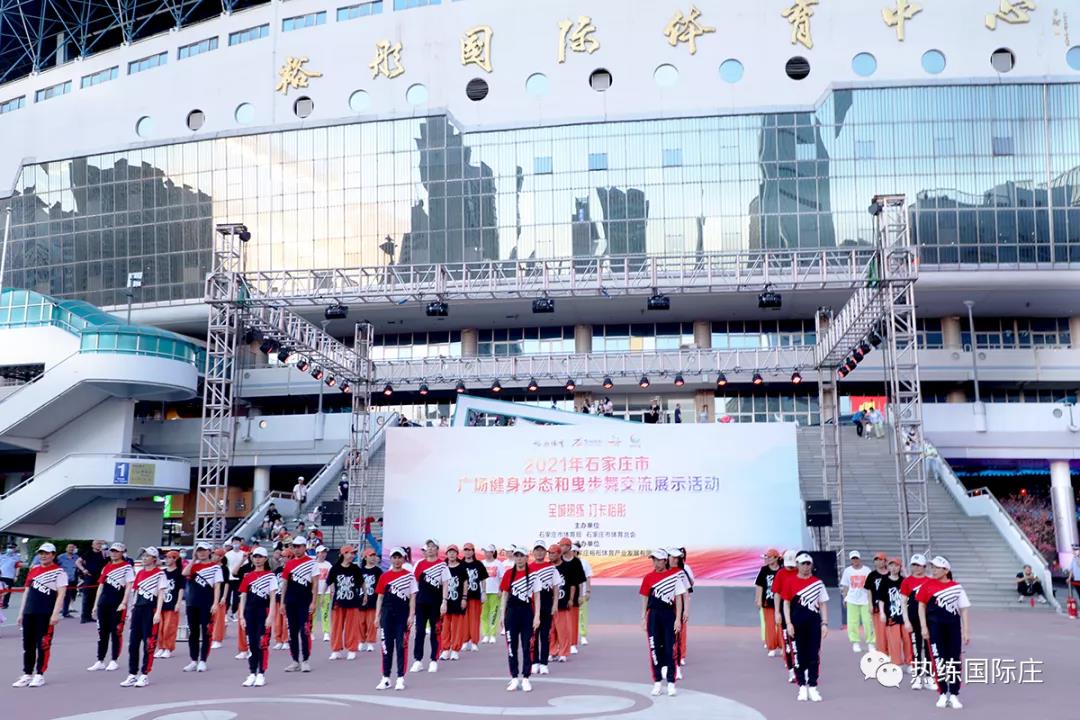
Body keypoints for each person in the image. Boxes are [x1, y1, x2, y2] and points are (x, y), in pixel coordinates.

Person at [917, 556, 972, 710]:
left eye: (937, 568)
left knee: (954, 661)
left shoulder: (956, 587)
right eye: (932, 567)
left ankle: (953, 694)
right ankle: (942, 693)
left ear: (946, 570)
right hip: (935, 629)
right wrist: (923, 627)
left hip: (953, 629)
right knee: (938, 660)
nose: (933, 570)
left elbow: (964, 610)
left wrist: (966, 631)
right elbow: (921, 606)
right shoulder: (927, 586)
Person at [12, 543, 65, 687]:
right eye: (41, 553)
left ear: (53, 555)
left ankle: (40, 674)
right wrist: (21, 612)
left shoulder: (59, 572)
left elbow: (61, 594)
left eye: (47, 553)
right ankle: (27, 674)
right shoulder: (34, 570)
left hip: (45, 613)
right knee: (27, 645)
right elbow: (27, 592)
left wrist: (55, 614)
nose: (43, 556)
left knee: (43, 644)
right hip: (29, 613)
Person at [782, 552, 829, 702]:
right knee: (799, 656)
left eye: (809, 564)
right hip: (796, 625)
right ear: (797, 565)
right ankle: (802, 686)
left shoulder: (818, 583)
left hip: (814, 624)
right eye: (803, 564)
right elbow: (786, 604)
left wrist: (824, 623)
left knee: (814, 655)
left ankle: (813, 687)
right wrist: (788, 623)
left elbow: (823, 604)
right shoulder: (790, 582)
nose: (806, 566)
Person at [640, 549, 685, 697]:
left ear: (665, 561)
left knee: (670, 649)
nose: (655, 563)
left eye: (658, 560)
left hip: (668, 615)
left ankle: (671, 683)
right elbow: (645, 598)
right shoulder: (648, 578)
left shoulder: (674, 577)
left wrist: (678, 619)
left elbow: (679, 599)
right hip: (653, 616)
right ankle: (657, 682)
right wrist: (643, 617)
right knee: (654, 649)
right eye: (653, 560)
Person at [87, 542, 135, 672]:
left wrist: (124, 602)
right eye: (112, 551)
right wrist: (95, 604)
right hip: (104, 603)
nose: (113, 553)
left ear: (122, 553)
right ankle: (100, 660)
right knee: (102, 633)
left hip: (117, 604)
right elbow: (101, 587)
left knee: (116, 632)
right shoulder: (106, 567)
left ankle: (114, 660)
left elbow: (129, 587)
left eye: (116, 551)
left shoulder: (127, 568)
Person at [120, 548, 165, 687]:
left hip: (150, 610)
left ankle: (144, 674)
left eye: (148, 556)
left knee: (148, 643)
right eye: (143, 555)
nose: (144, 558)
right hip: (138, 610)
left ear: (154, 559)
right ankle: (132, 674)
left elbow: (161, 594)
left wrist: (158, 612)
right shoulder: (139, 573)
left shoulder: (160, 574)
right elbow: (136, 592)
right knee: (133, 644)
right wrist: (131, 610)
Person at [375, 547, 417, 691]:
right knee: (386, 647)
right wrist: (377, 616)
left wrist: (411, 615)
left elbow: (412, 597)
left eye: (399, 557)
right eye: (394, 557)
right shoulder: (384, 577)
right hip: (387, 616)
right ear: (391, 559)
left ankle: (400, 678)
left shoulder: (409, 577)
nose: (397, 560)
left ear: (403, 559)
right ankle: (386, 678)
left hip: (402, 616)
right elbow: (380, 597)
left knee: (401, 646)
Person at [500, 546, 541, 692]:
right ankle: (514, 678)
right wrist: (502, 615)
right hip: (511, 613)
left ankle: (526, 678)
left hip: (527, 613)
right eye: (516, 556)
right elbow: (505, 595)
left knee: (527, 646)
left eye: (521, 556)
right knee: (512, 647)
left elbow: (537, 596)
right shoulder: (508, 574)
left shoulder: (534, 575)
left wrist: (537, 616)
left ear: (526, 558)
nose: (519, 558)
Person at [237, 546, 277, 687]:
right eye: (255, 557)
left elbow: (273, 597)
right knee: (251, 644)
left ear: (265, 559)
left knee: (262, 643)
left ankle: (261, 673)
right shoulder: (248, 576)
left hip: (263, 611)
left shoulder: (270, 576)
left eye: (260, 557)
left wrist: (270, 616)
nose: (257, 559)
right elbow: (243, 596)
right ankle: (252, 672)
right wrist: (241, 616)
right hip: (249, 612)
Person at [181, 541, 223, 672]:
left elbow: (217, 586)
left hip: (207, 603)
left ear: (209, 551)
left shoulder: (215, 567)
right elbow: (184, 573)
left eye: (204, 550)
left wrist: (215, 603)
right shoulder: (194, 566)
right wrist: (193, 559)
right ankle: (193, 660)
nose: (202, 553)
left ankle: (203, 660)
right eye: (199, 550)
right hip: (192, 603)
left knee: (206, 632)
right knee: (193, 632)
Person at [410, 539, 450, 674]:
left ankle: (434, 659)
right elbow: (414, 583)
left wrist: (444, 601)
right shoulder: (419, 564)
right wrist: (412, 602)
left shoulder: (442, 565)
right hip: (421, 603)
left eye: (433, 547)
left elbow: (445, 584)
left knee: (435, 632)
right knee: (420, 631)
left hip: (436, 604)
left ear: (437, 549)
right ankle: (418, 660)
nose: (431, 549)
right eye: (428, 546)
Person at [281, 536, 317, 672]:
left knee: (304, 631)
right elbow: (284, 584)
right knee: (292, 632)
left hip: (305, 602)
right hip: (291, 602)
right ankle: (295, 660)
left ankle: (305, 660)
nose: (296, 549)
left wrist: (313, 602)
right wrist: (282, 603)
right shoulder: (289, 564)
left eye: (299, 546)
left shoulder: (311, 563)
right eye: (294, 547)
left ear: (304, 547)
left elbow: (315, 584)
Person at [529, 543, 562, 675]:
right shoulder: (528, 568)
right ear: (533, 552)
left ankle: (543, 663)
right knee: (533, 636)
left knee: (545, 635)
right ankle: (534, 662)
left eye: (542, 550)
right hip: (531, 605)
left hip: (547, 603)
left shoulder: (551, 568)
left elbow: (556, 587)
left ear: (545, 552)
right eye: (537, 550)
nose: (539, 553)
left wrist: (555, 604)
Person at [900, 554, 932, 691]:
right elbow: (903, 602)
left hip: (929, 620)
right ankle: (918, 677)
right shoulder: (907, 582)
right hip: (913, 620)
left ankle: (929, 677)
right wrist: (906, 620)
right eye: (914, 565)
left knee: (929, 650)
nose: (916, 567)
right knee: (916, 649)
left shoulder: (930, 581)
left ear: (924, 567)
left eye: (919, 565)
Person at [327, 545, 363, 661]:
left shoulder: (355, 568)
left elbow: (362, 583)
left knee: (352, 627)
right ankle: (336, 650)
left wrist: (365, 595)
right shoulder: (335, 568)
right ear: (343, 554)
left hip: (353, 601)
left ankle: (352, 649)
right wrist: (322, 596)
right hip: (338, 602)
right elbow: (328, 582)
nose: (352, 555)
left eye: (353, 553)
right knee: (336, 627)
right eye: (349, 553)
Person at [772, 549, 799, 683]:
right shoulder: (781, 573)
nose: (790, 568)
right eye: (788, 565)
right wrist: (777, 612)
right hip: (785, 609)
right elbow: (777, 594)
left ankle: (801, 668)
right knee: (788, 643)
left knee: (799, 643)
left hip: (799, 610)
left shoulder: (801, 572)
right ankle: (791, 671)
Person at [878, 557, 909, 670]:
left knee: (907, 640)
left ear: (900, 567)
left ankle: (909, 662)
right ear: (888, 567)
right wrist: (882, 612)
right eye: (891, 565)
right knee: (894, 641)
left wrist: (905, 573)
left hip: (904, 616)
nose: (893, 568)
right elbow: (881, 599)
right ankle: (897, 662)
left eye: (896, 565)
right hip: (891, 615)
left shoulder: (904, 581)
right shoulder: (884, 581)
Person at [839, 550, 873, 652]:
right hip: (852, 600)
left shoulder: (866, 570)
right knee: (853, 622)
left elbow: (871, 587)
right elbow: (845, 586)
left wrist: (871, 600)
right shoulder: (847, 571)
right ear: (851, 560)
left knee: (868, 622)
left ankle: (871, 643)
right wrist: (845, 598)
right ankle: (855, 643)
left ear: (859, 558)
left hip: (865, 600)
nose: (855, 560)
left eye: (856, 558)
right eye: (853, 558)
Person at [440, 545, 469, 660]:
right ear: (446, 554)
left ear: (457, 554)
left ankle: (455, 649)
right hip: (445, 601)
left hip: (458, 600)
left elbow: (465, 583)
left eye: (454, 552)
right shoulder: (443, 567)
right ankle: (445, 649)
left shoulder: (462, 567)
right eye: (449, 552)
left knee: (457, 626)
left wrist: (464, 598)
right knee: (445, 626)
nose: (451, 554)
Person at [559, 538, 587, 654]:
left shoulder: (576, 562)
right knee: (561, 622)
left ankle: (573, 644)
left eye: (563, 545)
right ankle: (561, 644)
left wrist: (581, 596)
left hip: (574, 595)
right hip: (561, 595)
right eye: (560, 545)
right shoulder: (559, 560)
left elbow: (581, 581)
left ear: (569, 547)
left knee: (573, 621)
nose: (561, 548)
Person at [155, 551, 184, 659]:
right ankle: (161, 647)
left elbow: (181, 589)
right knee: (160, 627)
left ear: (175, 559)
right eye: (166, 557)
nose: (166, 559)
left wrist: (178, 602)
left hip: (172, 602)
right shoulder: (162, 573)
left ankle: (168, 648)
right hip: (161, 603)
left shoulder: (179, 573)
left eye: (169, 557)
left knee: (169, 627)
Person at [754, 549, 783, 657]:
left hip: (781, 602)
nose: (767, 559)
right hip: (767, 601)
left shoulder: (782, 570)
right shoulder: (764, 570)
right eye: (766, 557)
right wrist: (758, 599)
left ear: (776, 558)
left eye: (769, 557)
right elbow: (759, 585)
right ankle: (771, 647)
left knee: (781, 624)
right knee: (769, 625)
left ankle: (783, 646)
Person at [460, 543, 488, 651]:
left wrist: (484, 592)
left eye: (469, 550)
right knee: (463, 620)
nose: (467, 552)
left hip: (475, 596)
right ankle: (464, 641)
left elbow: (483, 579)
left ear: (473, 551)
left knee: (475, 620)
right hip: (462, 598)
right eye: (465, 550)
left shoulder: (478, 564)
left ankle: (474, 642)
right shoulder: (460, 564)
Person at [667, 548, 691, 672]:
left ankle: (681, 656)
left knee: (680, 632)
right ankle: (670, 654)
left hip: (678, 605)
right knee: (667, 632)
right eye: (673, 557)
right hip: (666, 606)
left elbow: (686, 593)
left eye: (677, 558)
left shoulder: (682, 572)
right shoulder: (663, 572)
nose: (675, 560)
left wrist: (686, 610)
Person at [76, 541, 107, 623]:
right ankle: (84, 617)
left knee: (95, 597)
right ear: (92, 545)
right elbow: (77, 562)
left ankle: (90, 616)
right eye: (97, 544)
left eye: (100, 544)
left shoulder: (103, 554)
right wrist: (83, 570)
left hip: (99, 577)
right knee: (87, 597)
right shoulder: (88, 553)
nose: (99, 545)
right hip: (89, 577)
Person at [358, 549, 383, 652]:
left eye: (374, 555)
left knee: (371, 623)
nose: (373, 557)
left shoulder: (378, 571)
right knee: (360, 622)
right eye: (370, 555)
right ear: (365, 557)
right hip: (361, 600)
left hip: (373, 600)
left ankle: (370, 642)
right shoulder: (360, 571)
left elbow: (381, 586)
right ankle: (361, 641)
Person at [866, 552, 889, 654]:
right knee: (879, 631)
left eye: (880, 560)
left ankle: (890, 651)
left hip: (890, 607)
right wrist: (870, 604)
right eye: (876, 560)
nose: (878, 562)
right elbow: (869, 591)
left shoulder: (890, 574)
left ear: (885, 561)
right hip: (877, 607)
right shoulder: (872, 575)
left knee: (889, 631)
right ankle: (881, 651)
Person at [481, 545, 503, 644]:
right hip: (484, 592)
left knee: (494, 614)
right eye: (485, 552)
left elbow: (501, 578)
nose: (486, 554)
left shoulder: (498, 564)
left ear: (493, 552)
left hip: (494, 592)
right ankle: (486, 634)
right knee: (484, 615)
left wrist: (500, 590)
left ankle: (493, 635)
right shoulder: (481, 563)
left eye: (488, 552)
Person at [313, 546, 333, 642]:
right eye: (321, 552)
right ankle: (311, 632)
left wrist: (332, 590)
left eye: (325, 552)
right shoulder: (313, 564)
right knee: (313, 613)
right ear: (317, 553)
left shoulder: (328, 565)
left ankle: (326, 632)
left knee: (325, 612)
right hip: (315, 592)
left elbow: (331, 579)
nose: (323, 554)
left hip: (326, 592)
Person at [575, 544, 593, 647]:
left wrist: (588, 591)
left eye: (574, 551)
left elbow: (588, 578)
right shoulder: (565, 562)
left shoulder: (584, 563)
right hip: (569, 595)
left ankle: (583, 636)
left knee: (582, 615)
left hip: (582, 594)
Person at [225, 537, 246, 621]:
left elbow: (245, 566)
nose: (236, 544)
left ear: (240, 543)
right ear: (232, 543)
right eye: (234, 542)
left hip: (239, 578)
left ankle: (234, 613)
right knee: (227, 596)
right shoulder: (228, 554)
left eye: (237, 542)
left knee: (236, 597)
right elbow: (226, 566)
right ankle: (225, 614)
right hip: (229, 578)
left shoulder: (243, 554)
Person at [56, 544, 80, 618]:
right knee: (59, 596)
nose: (71, 549)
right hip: (61, 580)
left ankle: (65, 612)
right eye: (69, 547)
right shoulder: (60, 557)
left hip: (71, 580)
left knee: (68, 597)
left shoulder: (76, 557)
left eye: (73, 548)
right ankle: (55, 611)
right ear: (66, 548)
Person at [0, 543, 22, 611]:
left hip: (10, 576)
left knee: (7, 591)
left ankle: (5, 604)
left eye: (12, 548)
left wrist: (16, 576)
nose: (10, 549)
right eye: (9, 547)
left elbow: (18, 567)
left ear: (15, 549)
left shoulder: (17, 557)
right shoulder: (1, 556)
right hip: (1, 575)